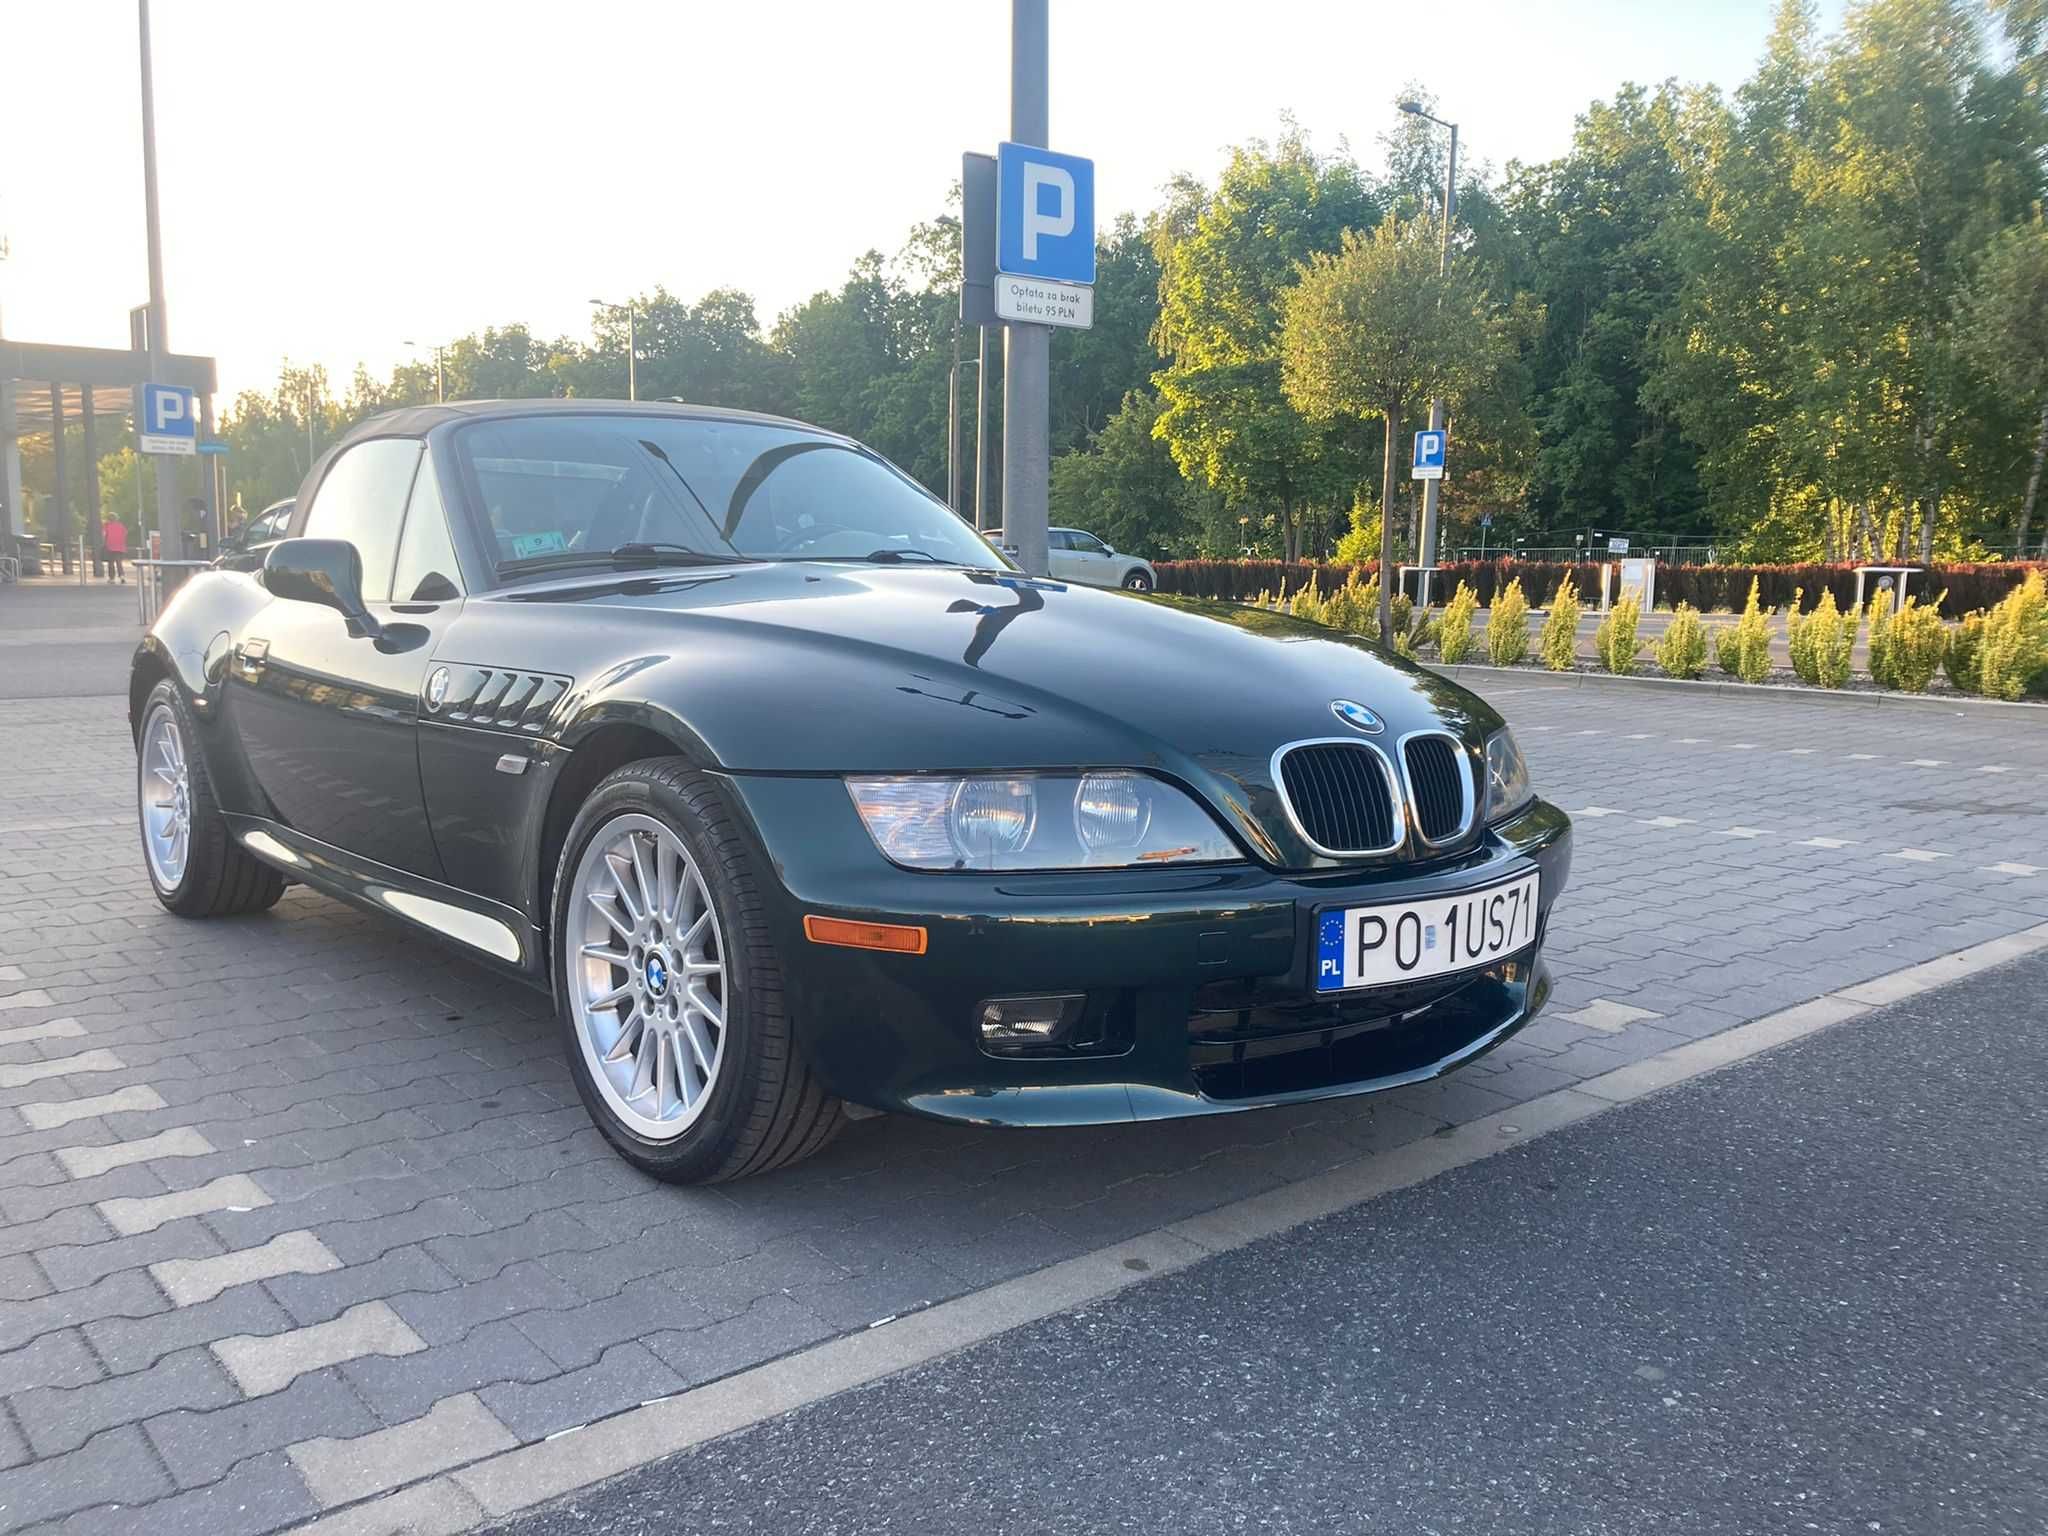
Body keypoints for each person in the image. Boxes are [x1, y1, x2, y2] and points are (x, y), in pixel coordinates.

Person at [102, 513, 129, 583]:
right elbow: (125, 533)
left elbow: (104, 534)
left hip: (110, 546)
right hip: (120, 546)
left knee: (111, 563)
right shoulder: (121, 525)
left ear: (108, 519)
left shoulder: (106, 525)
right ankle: (122, 576)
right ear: (116, 518)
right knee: (119, 562)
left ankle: (112, 578)